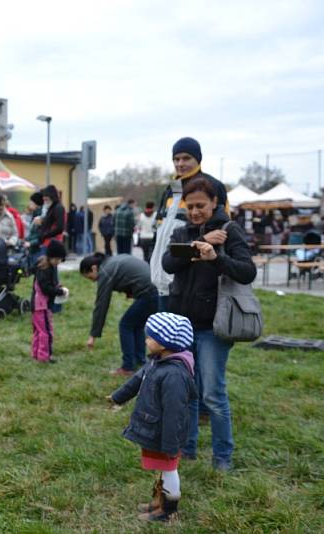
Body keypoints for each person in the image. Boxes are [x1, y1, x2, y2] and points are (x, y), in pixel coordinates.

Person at [162, 177, 256, 471]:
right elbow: (168, 263)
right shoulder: (181, 231)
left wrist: (215, 257)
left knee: (213, 394)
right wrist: (196, 246)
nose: (195, 212)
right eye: (190, 207)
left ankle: (222, 457)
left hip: (214, 326)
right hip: (182, 326)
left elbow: (247, 271)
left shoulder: (230, 231)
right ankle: (187, 448)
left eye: (200, 206)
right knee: (186, 390)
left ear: (214, 202)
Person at [108, 313, 197, 522]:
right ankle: (160, 501)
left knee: (169, 469)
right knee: (163, 469)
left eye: (150, 337)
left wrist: (170, 444)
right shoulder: (158, 361)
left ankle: (168, 510)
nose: (146, 340)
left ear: (166, 343)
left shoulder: (174, 375)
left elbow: (174, 414)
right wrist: (117, 397)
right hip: (157, 429)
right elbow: (138, 379)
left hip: (166, 433)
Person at [150, 137, 229, 312]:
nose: (180, 163)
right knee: (164, 335)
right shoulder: (171, 188)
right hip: (163, 274)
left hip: (193, 278)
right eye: (176, 159)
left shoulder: (212, 186)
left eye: (186, 158)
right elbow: (161, 231)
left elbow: (222, 229)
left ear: (198, 159)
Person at [80, 252, 158, 376]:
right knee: (136, 325)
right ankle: (140, 360)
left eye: (90, 277)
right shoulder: (111, 262)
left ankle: (127, 367)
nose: (93, 281)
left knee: (125, 325)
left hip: (149, 292)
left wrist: (93, 335)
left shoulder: (105, 272)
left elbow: (101, 305)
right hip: (155, 290)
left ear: (94, 268)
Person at [31, 240, 68, 363]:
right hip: (42, 306)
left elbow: (47, 284)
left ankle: (36, 353)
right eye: (57, 259)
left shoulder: (44, 266)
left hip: (36, 306)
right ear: (51, 257)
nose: (58, 262)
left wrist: (56, 286)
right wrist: (59, 291)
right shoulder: (46, 269)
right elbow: (45, 288)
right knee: (46, 331)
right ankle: (44, 356)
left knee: (38, 331)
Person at [23, 192, 45, 267]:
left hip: (38, 249)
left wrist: (30, 243)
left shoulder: (40, 216)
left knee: (39, 270)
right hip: (34, 248)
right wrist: (26, 239)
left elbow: (41, 235)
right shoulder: (35, 214)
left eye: (31, 202)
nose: (29, 203)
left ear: (36, 203)